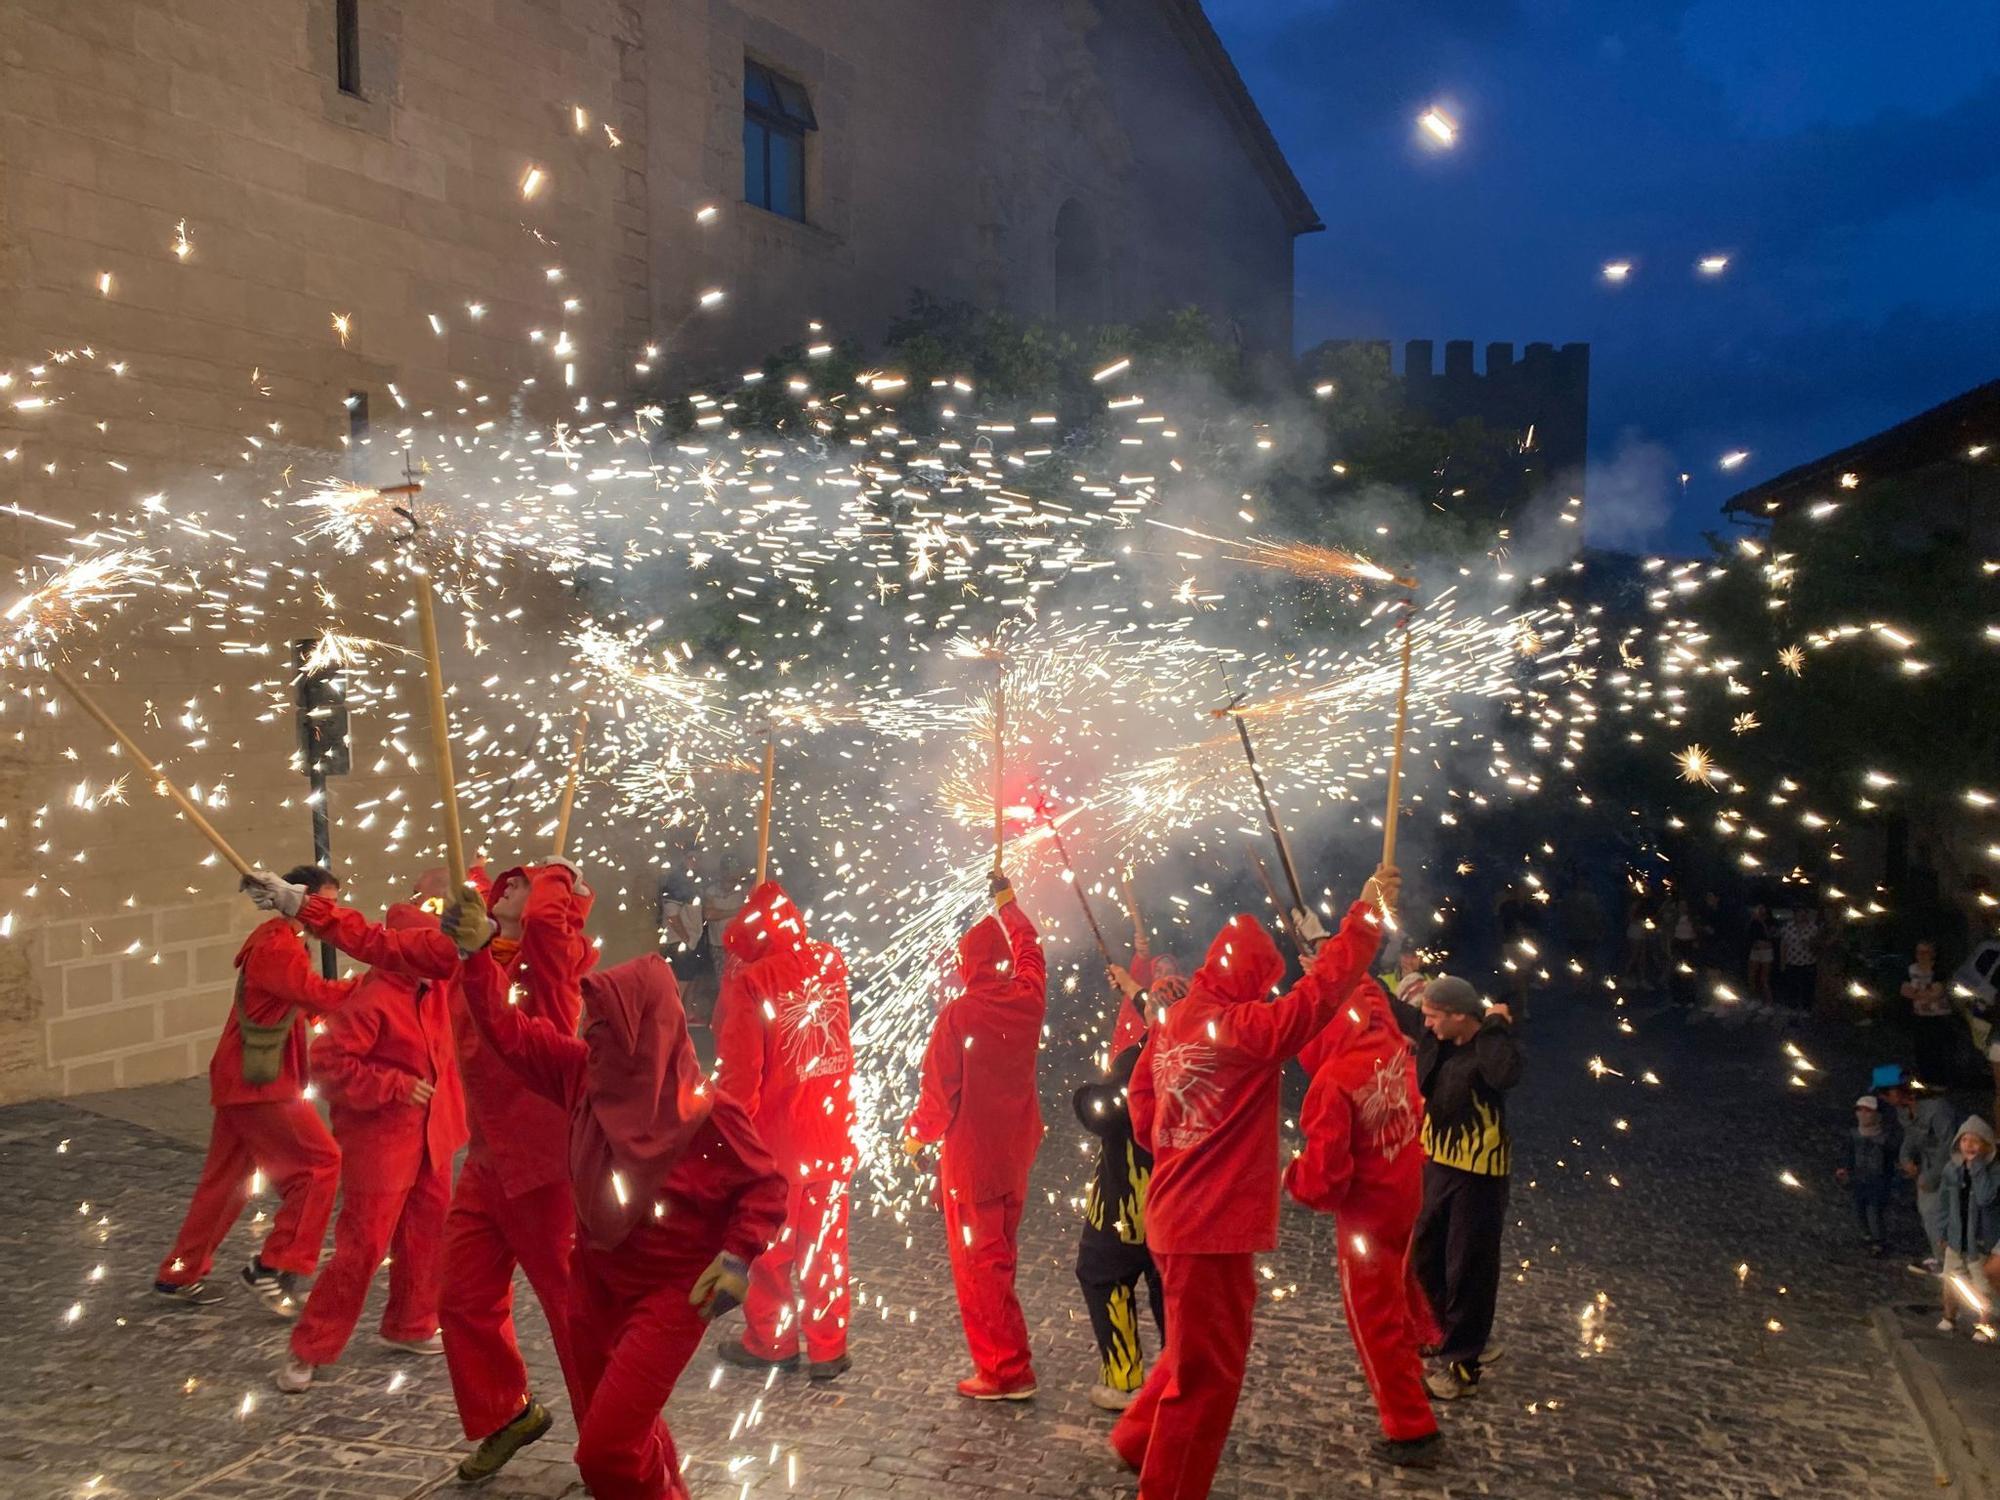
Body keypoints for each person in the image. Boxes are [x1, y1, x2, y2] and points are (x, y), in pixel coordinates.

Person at [442, 891, 789, 1500]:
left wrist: (737, 1258)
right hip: (594, 1286)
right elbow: (506, 1031)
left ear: (642, 1034)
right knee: (633, 1431)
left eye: (603, 1027)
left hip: (671, 1295)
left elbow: (765, 1185)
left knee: (603, 1450)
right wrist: (475, 957)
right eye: (587, 1025)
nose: (587, 1036)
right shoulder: (581, 1073)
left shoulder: (707, 1115)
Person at [1109, 865, 1397, 1500]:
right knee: (1207, 1376)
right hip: (1208, 1228)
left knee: (1198, 1347)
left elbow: (1140, 1096)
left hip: (1175, 1213)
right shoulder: (1245, 1032)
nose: (1268, 996)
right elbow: (1319, 997)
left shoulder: (1172, 1019)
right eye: (1264, 984)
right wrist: (1365, 918)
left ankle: (1135, 1439)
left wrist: (1167, 1138)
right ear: (1250, 980)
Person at [247, 883, 469, 1392]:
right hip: (383, 1143)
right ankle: (310, 1346)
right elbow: (328, 1068)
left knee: (426, 1234)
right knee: (363, 1247)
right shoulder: (372, 1000)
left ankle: (411, 1324)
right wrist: (392, 1086)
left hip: (432, 1136)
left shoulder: (432, 988)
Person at [440, 859, 597, 1483]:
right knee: (460, 1298)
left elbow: (549, 920)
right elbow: (388, 942)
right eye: (506, 884)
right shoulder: (476, 957)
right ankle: (508, 1414)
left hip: (545, 1170)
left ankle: (610, 1438)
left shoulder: (552, 967)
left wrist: (557, 872)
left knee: (572, 1312)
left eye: (524, 886)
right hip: (486, 1163)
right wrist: (304, 909)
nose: (511, 890)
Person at [153, 865, 358, 1313]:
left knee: (227, 1180)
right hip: (260, 1083)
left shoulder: (282, 943)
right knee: (322, 1164)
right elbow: (313, 995)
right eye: (325, 901)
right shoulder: (278, 944)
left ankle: (180, 1270)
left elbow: (299, 1004)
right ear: (301, 897)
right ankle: (272, 1264)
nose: (330, 912)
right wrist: (374, 987)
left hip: (243, 1078)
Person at [902, 870, 1048, 1400]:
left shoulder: (959, 1014)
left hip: (972, 1165)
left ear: (966, 964)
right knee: (1000, 1259)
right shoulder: (1028, 996)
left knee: (980, 1271)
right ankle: (1007, 1361)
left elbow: (938, 1095)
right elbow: (1032, 949)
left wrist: (916, 1138)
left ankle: (1006, 1371)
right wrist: (1009, 904)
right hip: (1015, 1156)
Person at [1286, 974, 1439, 1468]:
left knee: (1372, 1320)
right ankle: (1418, 1360)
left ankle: (1411, 1427)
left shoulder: (1334, 1081)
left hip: (1366, 1217)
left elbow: (1326, 1181)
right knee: (1397, 1295)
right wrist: (1331, 963)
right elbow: (1369, 992)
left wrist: (1291, 1175)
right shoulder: (1389, 1040)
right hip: (1405, 1191)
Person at [711, 880, 856, 1381]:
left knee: (771, 1251)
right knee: (825, 1247)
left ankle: (771, 1340)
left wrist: (728, 1140)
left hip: (778, 1146)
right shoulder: (830, 962)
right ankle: (828, 1346)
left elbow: (739, 1079)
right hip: (833, 1135)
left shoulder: (752, 984)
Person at [1412, 975, 1523, 1400]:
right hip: (1439, 1162)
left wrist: (1495, 1026)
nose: (1428, 1025)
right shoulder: (1439, 1039)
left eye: (1435, 1017)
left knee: (1469, 1267)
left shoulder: (1493, 1048)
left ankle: (1462, 1364)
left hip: (1480, 1173)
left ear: (1461, 1016)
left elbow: (1504, 1074)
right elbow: (1380, 1001)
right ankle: (1459, 1332)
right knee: (1426, 1253)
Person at [1076, 964, 1163, 1412]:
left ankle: (1124, 1378)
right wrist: (1131, 987)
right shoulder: (1206, 1049)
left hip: (1127, 1205)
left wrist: (1091, 1098)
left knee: (1103, 1275)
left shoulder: (1137, 1061)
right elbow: (1160, 1009)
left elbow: (1104, 1115)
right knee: (1169, 1286)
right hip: (1182, 1209)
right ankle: (1179, 1375)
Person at [1881, 1066, 1958, 1270]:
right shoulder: (1904, 1110)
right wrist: (1905, 1157)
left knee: (1938, 1214)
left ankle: (1948, 1262)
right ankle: (1940, 1257)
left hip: (1950, 1168)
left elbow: (1948, 1145)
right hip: (1928, 1164)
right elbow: (1911, 1136)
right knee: (1928, 1213)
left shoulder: (1937, 1109)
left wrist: (1931, 1177)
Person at [1936, 1117, 2000, 1337]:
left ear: (1986, 1145)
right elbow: (1944, 1201)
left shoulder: (1994, 1172)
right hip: (1956, 1235)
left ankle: (1983, 1324)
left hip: (1980, 1239)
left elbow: (1985, 1198)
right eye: (1965, 1139)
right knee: (1950, 1279)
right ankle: (1948, 1317)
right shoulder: (1951, 1170)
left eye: (1975, 1140)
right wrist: (1942, 1230)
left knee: (1982, 1286)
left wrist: (1978, 1168)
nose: (1969, 1145)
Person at [1836, 1095, 1898, 1256]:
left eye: (1868, 1111)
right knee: (1858, 1209)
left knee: (1874, 1211)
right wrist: (1844, 1169)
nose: (1863, 1114)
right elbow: (1848, 1154)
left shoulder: (1886, 1138)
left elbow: (1891, 1159)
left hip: (1878, 1180)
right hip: (1858, 1177)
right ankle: (1867, 1235)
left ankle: (1878, 1240)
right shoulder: (1853, 1135)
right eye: (1860, 1110)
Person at [1904, 942, 1957, 1086]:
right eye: (1919, 952)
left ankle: (1940, 1082)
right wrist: (1922, 994)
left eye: (1925, 952)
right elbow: (1904, 990)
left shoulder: (1939, 970)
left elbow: (1936, 993)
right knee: (1921, 1050)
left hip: (1938, 1015)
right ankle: (1925, 1080)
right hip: (1919, 1015)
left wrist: (1917, 993)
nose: (1921, 956)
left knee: (1937, 1050)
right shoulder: (1911, 969)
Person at [1778, 905, 1822, 1011]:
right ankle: (1793, 1008)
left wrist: (1810, 944)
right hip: (1792, 961)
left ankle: (1806, 1008)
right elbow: (1783, 945)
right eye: (1799, 913)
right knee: (1792, 986)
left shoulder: (1813, 928)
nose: (1801, 915)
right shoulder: (1788, 927)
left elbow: (1818, 945)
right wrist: (1782, 962)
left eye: (1803, 913)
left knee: (1808, 987)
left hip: (1808, 962)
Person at [1746, 903, 1777, 1007]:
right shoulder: (1753, 921)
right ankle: (1754, 999)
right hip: (1755, 951)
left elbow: (1769, 935)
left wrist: (1761, 922)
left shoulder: (1770, 921)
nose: (1760, 910)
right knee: (1751, 976)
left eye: (1762, 908)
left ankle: (1769, 1002)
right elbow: (1748, 934)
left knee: (1764, 979)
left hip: (1766, 951)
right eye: (1758, 908)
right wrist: (1752, 920)